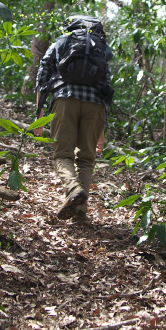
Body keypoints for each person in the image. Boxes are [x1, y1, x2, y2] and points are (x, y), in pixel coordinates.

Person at [35, 15, 113, 222]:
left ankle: (73, 189)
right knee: (86, 159)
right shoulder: (102, 47)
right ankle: (80, 213)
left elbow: (43, 75)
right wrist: (101, 131)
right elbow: (107, 87)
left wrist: (39, 115)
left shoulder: (61, 42)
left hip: (65, 100)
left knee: (63, 155)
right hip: (95, 105)